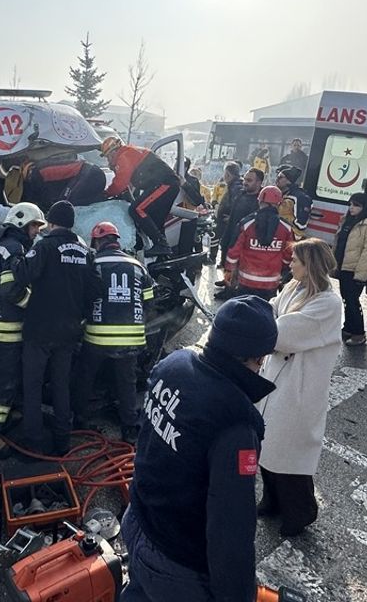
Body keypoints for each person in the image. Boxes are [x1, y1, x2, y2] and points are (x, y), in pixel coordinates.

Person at [122, 296, 278, 602]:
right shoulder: (234, 422)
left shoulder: (173, 364)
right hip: (174, 562)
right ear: (259, 358)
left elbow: (146, 444)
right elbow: (230, 526)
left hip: (138, 521)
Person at [255, 238, 343, 537]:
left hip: (300, 385)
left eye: (295, 260)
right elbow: (272, 310)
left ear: (310, 265)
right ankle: (272, 500)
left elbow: (284, 332)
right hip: (278, 375)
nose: (289, 263)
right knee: (267, 443)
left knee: (290, 451)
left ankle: (301, 511)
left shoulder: (329, 302)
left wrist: (254, 326)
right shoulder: (295, 286)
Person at [19, 201, 99, 454]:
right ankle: (63, 440)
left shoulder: (45, 246)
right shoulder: (84, 250)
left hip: (40, 329)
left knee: (32, 385)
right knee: (61, 385)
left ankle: (32, 441)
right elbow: (96, 289)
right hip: (69, 331)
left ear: (51, 223)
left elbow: (23, 274)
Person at [0, 201, 46, 455]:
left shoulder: (1, 249)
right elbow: (12, 290)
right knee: (3, 383)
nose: (37, 231)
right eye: (35, 226)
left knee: (2, 379)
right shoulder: (15, 251)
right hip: (10, 328)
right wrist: (36, 306)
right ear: (21, 223)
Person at [72, 221, 153, 444]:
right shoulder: (137, 265)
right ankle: (129, 428)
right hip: (131, 337)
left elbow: (82, 298)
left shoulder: (93, 263)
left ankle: (78, 419)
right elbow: (148, 301)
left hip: (97, 336)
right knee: (127, 382)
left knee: (84, 377)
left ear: (97, 241)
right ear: (116, 241)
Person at [101, 137, 180, 256]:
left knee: (137, 209)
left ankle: (162, 246)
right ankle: (164, 257)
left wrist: (105, 193)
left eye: (108, 156)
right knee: (155, 222)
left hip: (164, 183)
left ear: (113, 152)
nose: (108, 160)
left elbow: (120, 183)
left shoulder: (124, 156)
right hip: (167, 183)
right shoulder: (130, 152)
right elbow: (130, 184)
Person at [221, 185, 294, 301]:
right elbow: (289, 254)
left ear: (259, 201)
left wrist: (229, 273)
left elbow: (233, 252)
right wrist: (282, 269)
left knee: (242, 311)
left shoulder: (246, 224)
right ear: (279, 204)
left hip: (246, 281)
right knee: (263, 313)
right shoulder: (286, 228)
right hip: (271, 283)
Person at [333, 192, 367, 346]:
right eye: (350, 204)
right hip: (344, 267)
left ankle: (358, 334)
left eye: (356, 205)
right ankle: (348, 327)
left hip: (355, 270)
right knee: (347, 300)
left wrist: (361, 275)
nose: (351, 208)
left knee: (353, 302)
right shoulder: (348, 221)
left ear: (365, 207)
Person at [216, 167, 262, 279]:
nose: (245, 183)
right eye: (245, 179)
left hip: (244, 238)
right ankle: (227, 282)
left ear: (259, 182)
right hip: (231, 233)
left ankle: (232, 288)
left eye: (249, 180)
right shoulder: (241, 194)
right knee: (227, 262)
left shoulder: (260, 200)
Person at [212, 161, 242, 265]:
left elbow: (237, 205)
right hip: (224, 220)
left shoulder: (236, 187)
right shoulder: (232, 185)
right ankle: (222, 262)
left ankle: (225, 264)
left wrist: (231, 217)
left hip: (228, 222)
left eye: (225, 173)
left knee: (227, 242)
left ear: (228, 174)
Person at [274, 166, 313, 236]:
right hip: (278, 234)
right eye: (277, 176)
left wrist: (286, 229)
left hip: (291, 238)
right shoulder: (279, 194)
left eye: (280, 177)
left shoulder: (300, 197)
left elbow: (301, 225)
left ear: (289, 181)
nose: (277, 179)